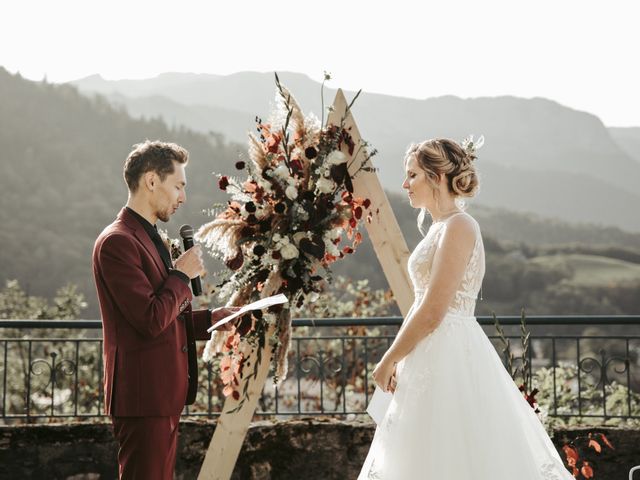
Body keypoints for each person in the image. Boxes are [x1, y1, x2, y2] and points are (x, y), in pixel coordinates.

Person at [358, 138, 573, 479]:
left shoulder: (459, 226)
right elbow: (420, 304)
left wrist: (388, 359)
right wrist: (399, 356)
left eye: (412, 175)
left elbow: (433, 310)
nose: (404, 184)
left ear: (436, 176)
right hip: (428, 352)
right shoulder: (440, 227)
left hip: (449, 353)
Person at [92, 140, 236, 480]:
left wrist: (216, 319)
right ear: (152, 181)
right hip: (143, 399)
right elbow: (150, 319)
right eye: (179, 185)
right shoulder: (118, 242)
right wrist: (181, 274)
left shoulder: (147, 237)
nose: (183, 197)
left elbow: (167, 315)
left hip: (161, 396)